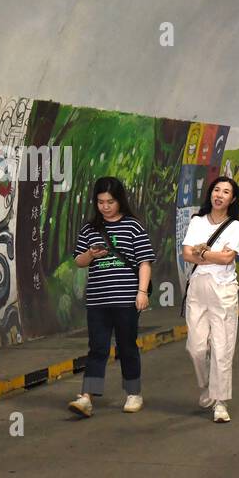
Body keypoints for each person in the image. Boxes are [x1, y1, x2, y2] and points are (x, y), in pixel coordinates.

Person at [67, 176, 155, 417]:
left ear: (120, 201)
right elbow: (79, 261)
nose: (105, 206)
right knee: (97, 348)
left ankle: (133, 393)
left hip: (127, 299)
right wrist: (91, 254)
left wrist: (142, 292)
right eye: (100, 202)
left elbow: (144, 262)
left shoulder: (133, 226)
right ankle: (87, 397)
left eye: (110, 202)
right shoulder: (89, 228)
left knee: (127, 346)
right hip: (98, 299)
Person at [181, 176, 239, 423]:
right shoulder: (197, 221)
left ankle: (220, 401)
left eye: (226, 192)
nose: (219, 195)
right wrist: (211, 255)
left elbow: (228, 259)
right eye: (216, 190)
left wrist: (203, 251)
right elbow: (187, 254)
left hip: (223, 289)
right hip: (198, 287)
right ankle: (206, 384)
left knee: (222, 347)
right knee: (196, 347)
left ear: (232, 199)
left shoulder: (235, 226)